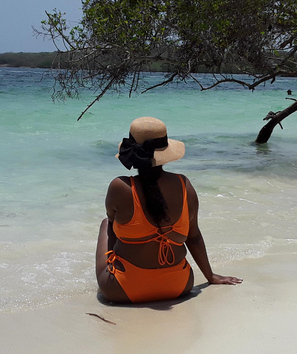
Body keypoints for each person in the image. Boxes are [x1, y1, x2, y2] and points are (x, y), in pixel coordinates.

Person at [95, 117, 242, 303]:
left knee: (106, 223)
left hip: (123, 290)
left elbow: (112, 228)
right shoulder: (184, 185)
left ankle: (114, 270)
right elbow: (194, 237)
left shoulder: (120, 186)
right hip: (180, 286)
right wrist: (210, 276)